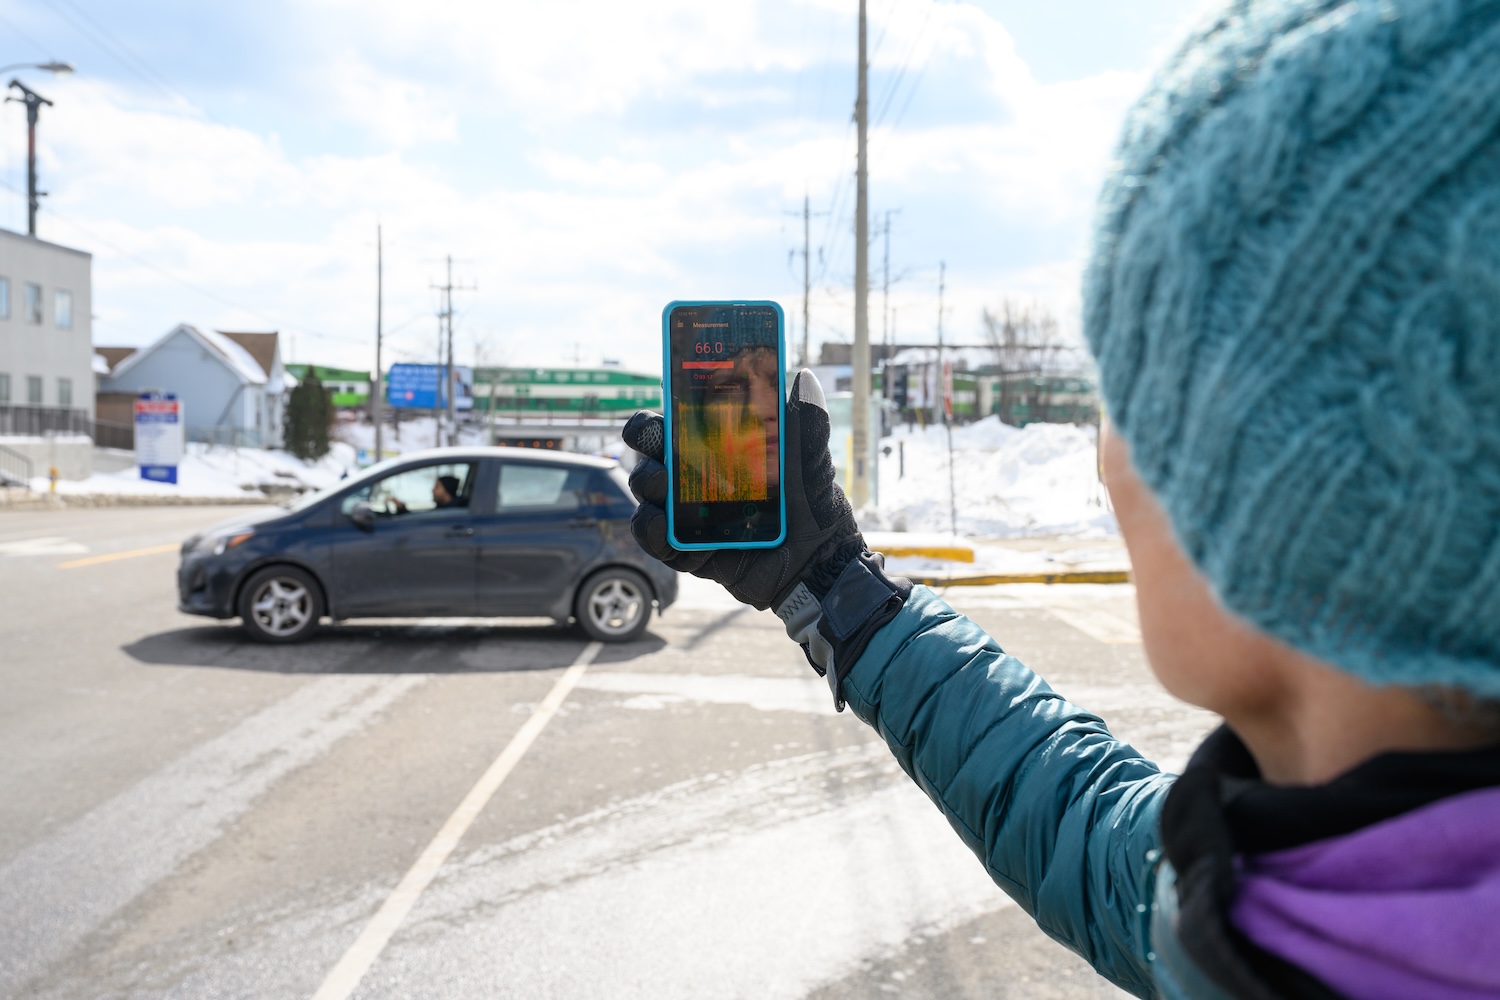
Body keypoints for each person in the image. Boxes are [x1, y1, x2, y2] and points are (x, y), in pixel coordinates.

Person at [622, 2, 1500, 997]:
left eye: (1130, 392)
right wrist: (829, 582)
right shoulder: (1299, 885)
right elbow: (1089, 833)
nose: (1104, 459)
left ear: (1300, 493)